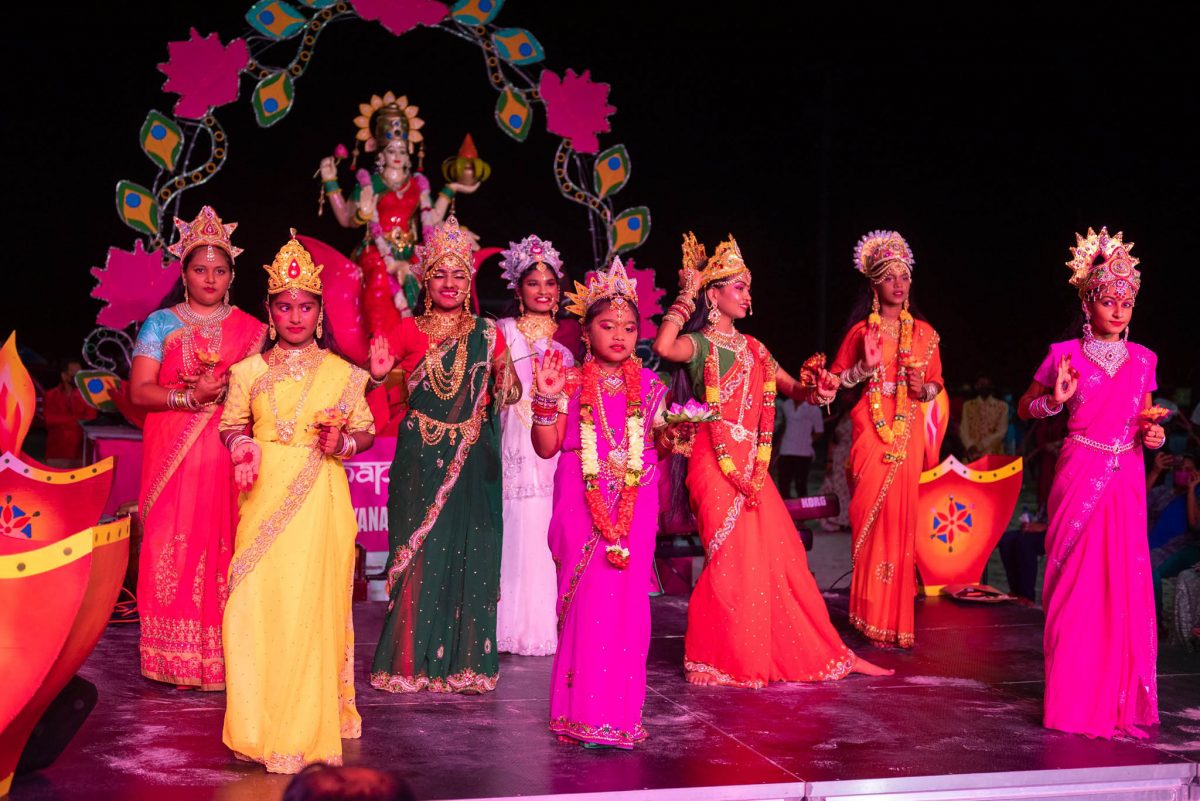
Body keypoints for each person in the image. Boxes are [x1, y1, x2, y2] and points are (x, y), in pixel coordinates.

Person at [653, 232, 890, 687]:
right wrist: (685, 295)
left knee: (782, 558)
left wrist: (855, 371)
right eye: (738, 286)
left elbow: (802, 392)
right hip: (713, 460)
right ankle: (715, 656)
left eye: (747, 285)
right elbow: (664, 347)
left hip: (754, 466)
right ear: (714, 295)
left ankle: (820, 651)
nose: (747, 294)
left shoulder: (757, 349)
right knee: (730, 557)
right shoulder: (699, 345)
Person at [219, 231, 375, 773]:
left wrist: (344, 443)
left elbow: (366, 434)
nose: (294, 316)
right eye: (284, 306)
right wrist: (241, 446)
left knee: (310, 606)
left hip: (319, 500)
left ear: (319, 312)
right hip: (262, 496)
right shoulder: (247, 373)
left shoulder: (344, 374)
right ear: (269, 310)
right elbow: (231, 426)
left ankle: (306, 726)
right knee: (254, 603)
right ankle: (257, 722)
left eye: (305, 306)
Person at [1017, 226, 1165, 739]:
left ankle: (1118, 703)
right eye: (1109, 300)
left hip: (1125, 480)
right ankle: (1072, 703)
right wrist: (1054, 401)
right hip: (1079, 471)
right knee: (1075, 587)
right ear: (1088, 302)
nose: (1120, 310)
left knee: (1121, 585)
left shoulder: (1146, 361)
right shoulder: (1064, 354)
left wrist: (1154, 437)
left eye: (1127, 301)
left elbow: (1146, 419)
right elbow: (1027, 408)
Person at [369, 217, 520, 694]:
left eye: (459, 274)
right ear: (425, 281)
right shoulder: (405, 330)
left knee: (474, 551)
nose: (450, 283)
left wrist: (511, 382)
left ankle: (467, 664)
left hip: (475, 458)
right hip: (419, 456)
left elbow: (509, 391)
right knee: (420, 553)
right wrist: (374, 375)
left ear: (469, 281)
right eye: (440, 274)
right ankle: (408, 662)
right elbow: (364, 389)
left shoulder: (488, 332)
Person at [530, 258, 668, 747]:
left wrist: (682, 435)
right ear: (586, 332)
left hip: (637, 500)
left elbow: (661, 443)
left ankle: (619, 718)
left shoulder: (652, 388)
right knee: (587, 604)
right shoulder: (567, 382)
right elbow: (547, 447)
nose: (620, 335)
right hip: (579, 501)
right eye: (607, 325)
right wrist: (545, 401)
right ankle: (579, 716)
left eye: (629, 327)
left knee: (627, 607)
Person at [129, 206, 266, 690]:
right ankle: (171, 656)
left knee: (226, 547)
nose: (210, 277)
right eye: (200, 268)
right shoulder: (160, 324)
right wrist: (189, 397)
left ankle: (223, 657)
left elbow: (263, 398)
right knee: (168, 545)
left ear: (232, 275)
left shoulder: (254, 331)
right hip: (172, 451)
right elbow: (138, 390)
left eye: (220, 269)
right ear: (184, 273)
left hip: (228, 454)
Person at [827, 230, 943, 648]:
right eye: (889, 276)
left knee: (899, 523)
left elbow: (937, 385)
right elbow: (837, 380)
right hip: (871, 433)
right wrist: (862, 368)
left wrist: (922, 388)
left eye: (904, 276)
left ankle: (896, 621)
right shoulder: (862, 331)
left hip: (907, 432)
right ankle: (868, 615)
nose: (899, 283)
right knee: (870, 520)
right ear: (874, 284)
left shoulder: (927, 336)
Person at [318, 91, 476, 327]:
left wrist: (451, 189)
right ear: (381, 154)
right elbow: (346, 219)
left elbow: (431, 221)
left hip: (410, 249)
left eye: (402, 151)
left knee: (436, 277)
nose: (398, 156)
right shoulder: (369, 184)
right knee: (380, 278)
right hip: (377, 250)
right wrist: (331, 182)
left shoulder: (417, 185)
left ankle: (426, 339)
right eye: (392, 151)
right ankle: (380, 340)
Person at [494, 235, 575, 656]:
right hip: (509, 442)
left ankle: (544, 625)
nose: (543, 290)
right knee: (513, 523)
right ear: (518, 290)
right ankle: (503, 625)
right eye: (533, 283)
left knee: (546, 527)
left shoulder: (564, 350)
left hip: (549, 449)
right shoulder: (500, 334)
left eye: (549, 283)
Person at [1147, 452, 1200, 621]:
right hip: (1148, 544)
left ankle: (1154, 622)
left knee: (1149, 571)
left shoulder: (1197, 496)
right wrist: (1155, 472)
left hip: (1174, 550)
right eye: (1179, 469)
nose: (1182, 473)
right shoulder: (1162, 493)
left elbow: (1195, 524)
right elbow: (1137, 500)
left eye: (1188, 470)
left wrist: (1192, 490)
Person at [42, 359, 96, 467]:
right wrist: (76, 420)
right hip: (56, 454)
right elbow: (49, 420)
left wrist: (64, 421)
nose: (79, 379)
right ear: (64, 376)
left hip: (81, 455)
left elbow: (90, 419)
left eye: (80, 374)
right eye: (75, 375)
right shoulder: (50, 395)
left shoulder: (88, 396)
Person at [775, 390, 824, 498]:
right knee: (783, 483)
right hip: (786, 450)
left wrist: (807, 441)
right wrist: (777, 448)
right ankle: (785, 511)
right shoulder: (786, 404)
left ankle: (803, 512)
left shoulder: (813, 408)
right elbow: (784, 425)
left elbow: (819, 430)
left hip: (803, 452)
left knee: (800, 485)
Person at [818, 399, 853, 531]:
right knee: (836, 487)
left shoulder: (858, 414)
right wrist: (829, 460)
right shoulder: (840, 416)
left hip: (851, 455)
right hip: (839, 456)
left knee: (848, 489)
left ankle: (848, 521)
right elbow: (832, 441)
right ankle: (837, 520)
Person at [959, 377, 1009, 461]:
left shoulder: (1002, 406)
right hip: (971, 455)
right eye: (981, 384)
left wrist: (980, 446)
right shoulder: (968, 406)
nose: (984, 386)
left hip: (993, 454)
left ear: (992, 386)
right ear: (976, 386)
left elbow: (1001, 431)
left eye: (987, 384)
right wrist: (970, 446)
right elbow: (964, 428)